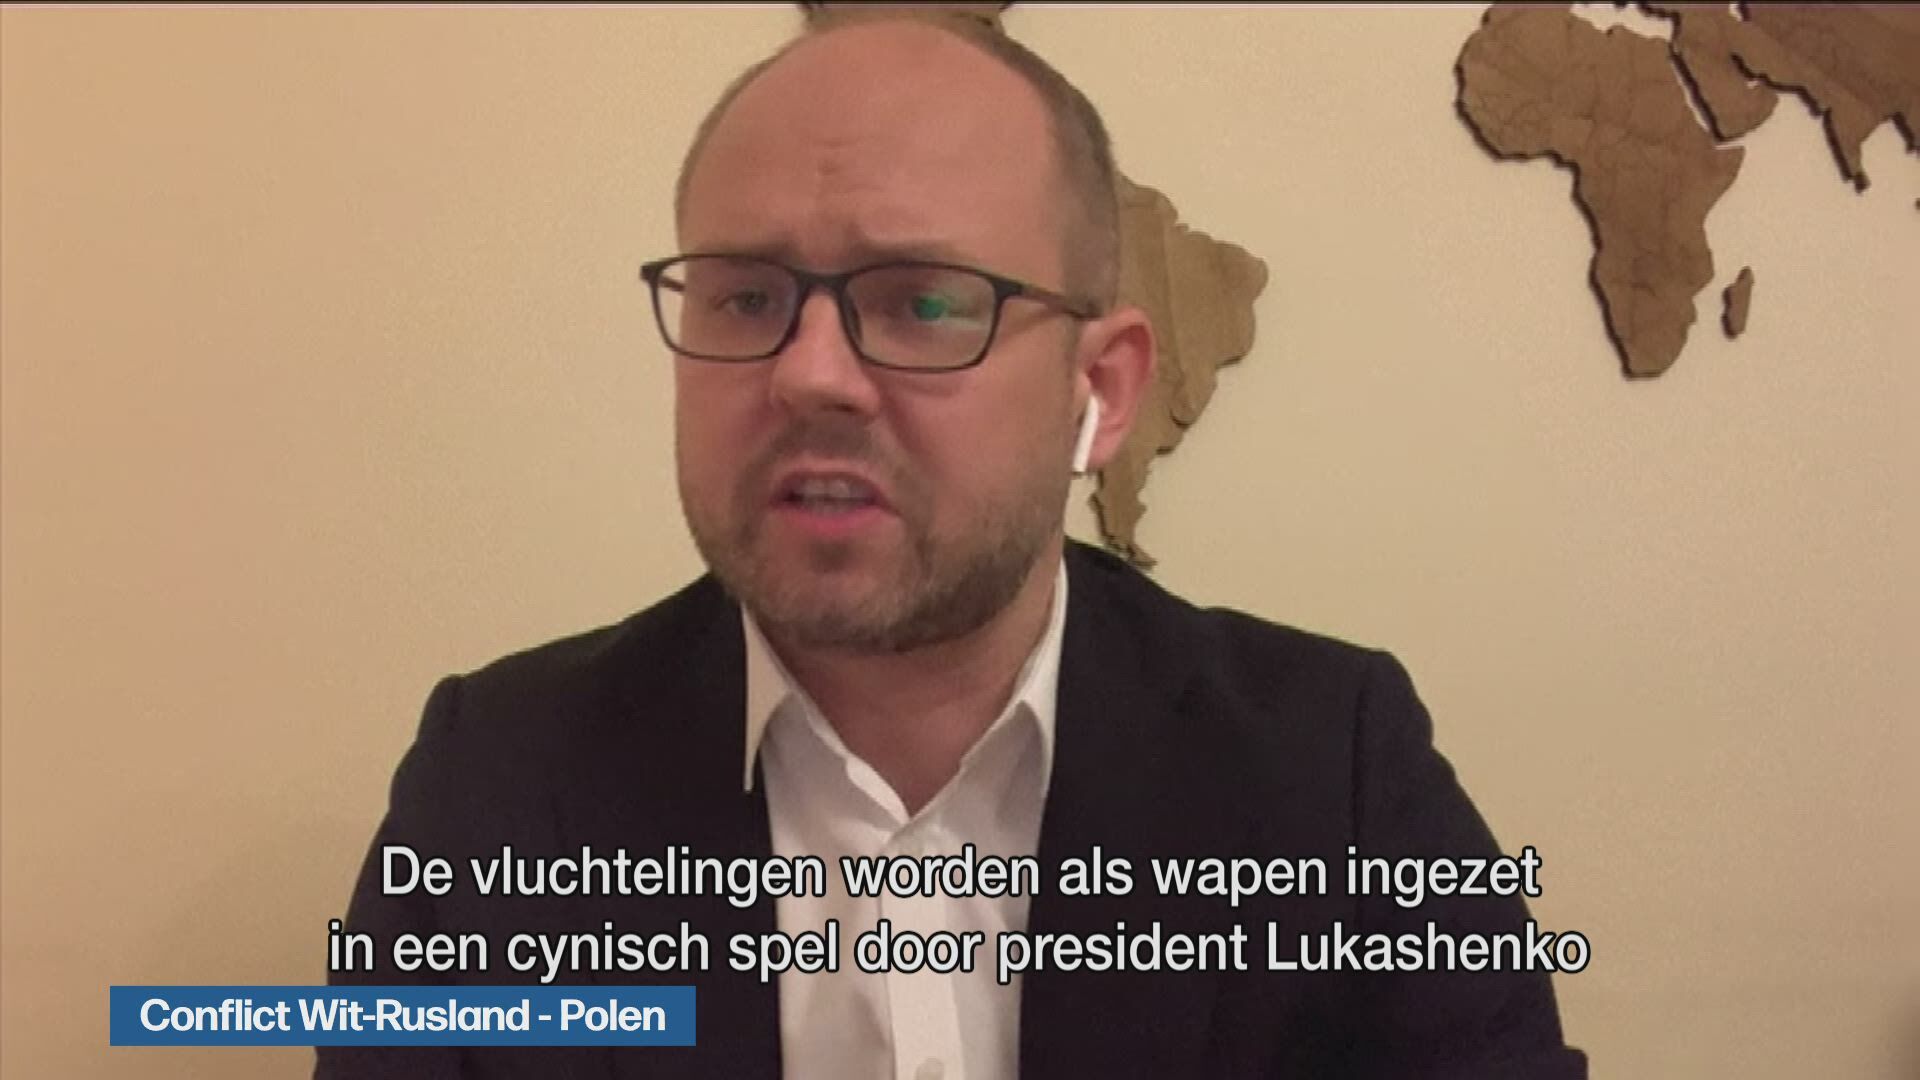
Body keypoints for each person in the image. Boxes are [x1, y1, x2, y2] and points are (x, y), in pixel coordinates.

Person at [319, 10, 1586, 1079]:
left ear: (1102, 389)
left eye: (923, 301)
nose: (811, 375)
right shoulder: (494, 787)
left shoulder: (1333, 775)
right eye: (747, 297)